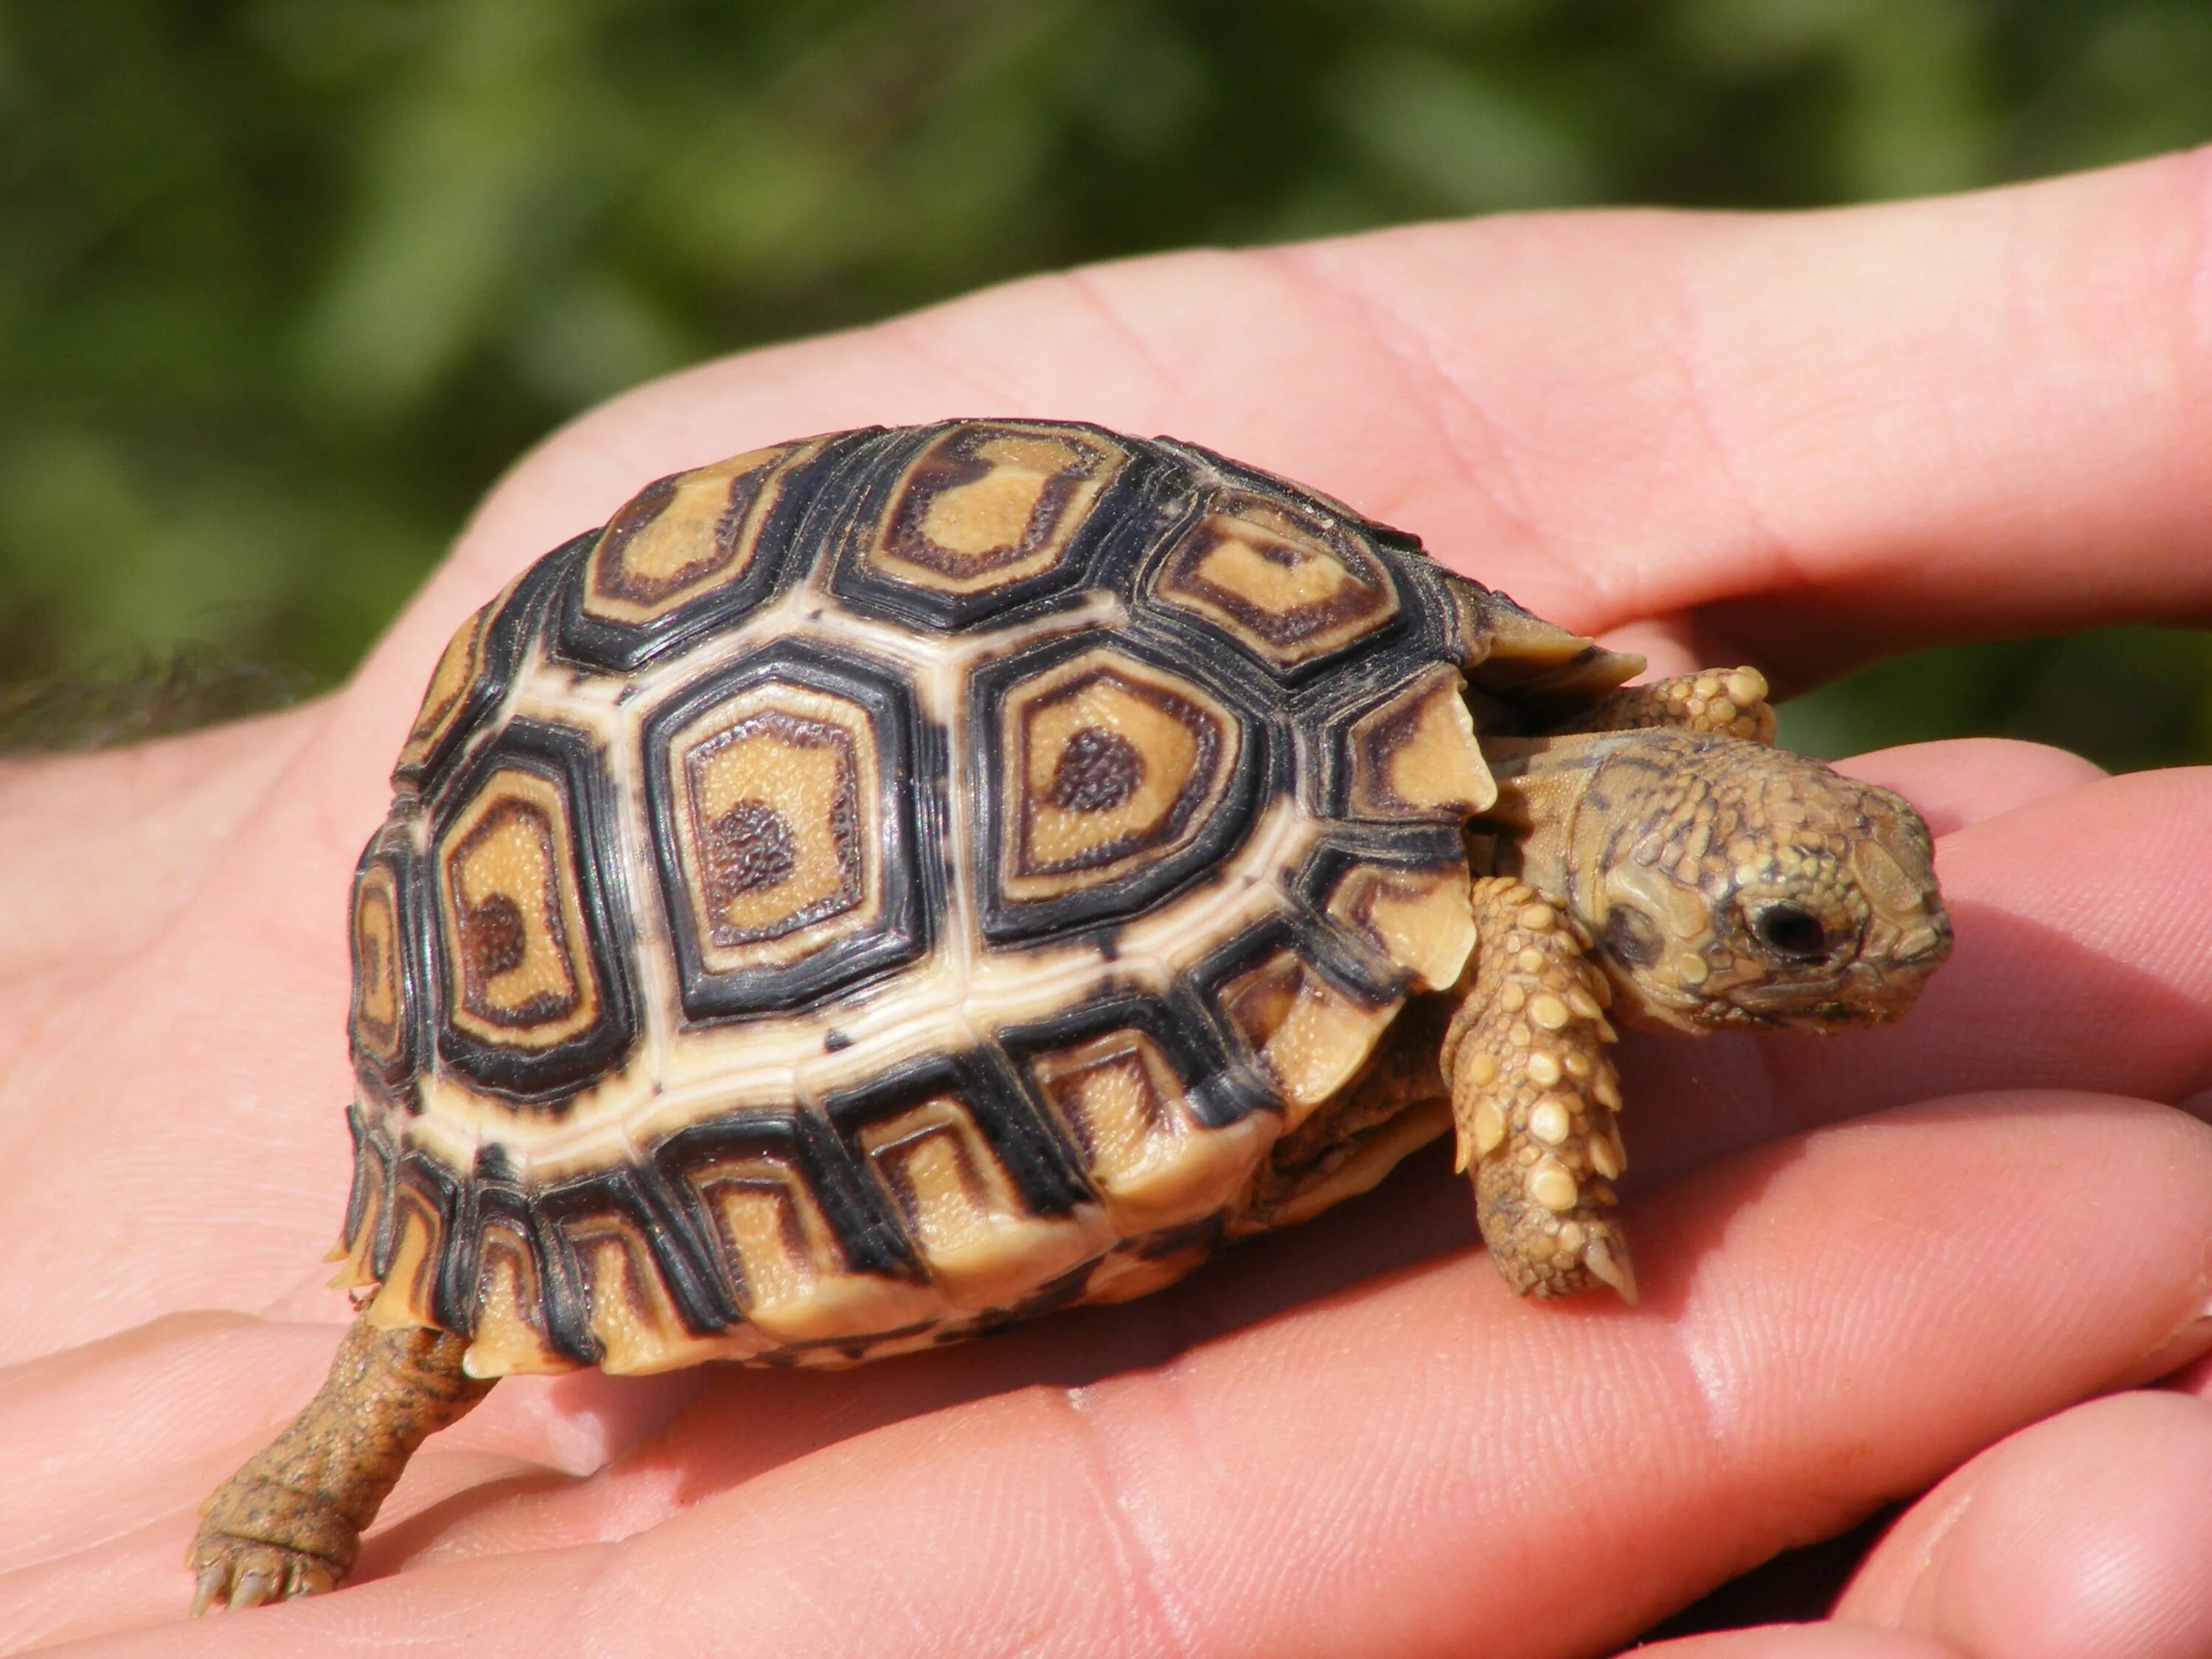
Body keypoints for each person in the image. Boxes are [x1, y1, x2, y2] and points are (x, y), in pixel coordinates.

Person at [1, 148, 2207, 1659]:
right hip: (632, 1021)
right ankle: (368, 1396)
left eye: (1836, 907)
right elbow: (1522, 953)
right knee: (429, 1330)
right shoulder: (1519, 902)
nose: (1874, 958)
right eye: (1799, 944)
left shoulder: (1520, 727)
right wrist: (1550, 1197)